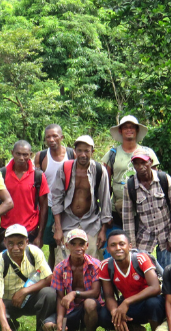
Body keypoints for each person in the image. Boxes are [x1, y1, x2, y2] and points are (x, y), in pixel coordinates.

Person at [0, 224, 56, 331]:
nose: (16, 248)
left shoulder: (34, 252)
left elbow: (49, 278)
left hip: (32, 298)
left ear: (27, 242)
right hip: (9, 302)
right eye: (11, 243)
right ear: (5, 242)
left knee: (50, 293)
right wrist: (4, 327)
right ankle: (10, 327)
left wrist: (24, 291)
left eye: (20, 243)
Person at [49, 135, 111, 263]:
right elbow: (56, 199)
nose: (83, 154)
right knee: (63, 260)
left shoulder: (99, 170)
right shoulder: (65, 168)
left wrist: (103, 230)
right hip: (68, 221)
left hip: (91, 223)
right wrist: (58, 229)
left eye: (87, 151)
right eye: (80, 151)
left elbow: (105, 202)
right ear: (74, 152)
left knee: (93, 261)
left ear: (92, 152)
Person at [122, 151, 171, 269]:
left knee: (169, 272)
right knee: (144, 273)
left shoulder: (164, 179)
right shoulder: (129, 186)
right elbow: (127, 218)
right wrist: (132, 247)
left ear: (150, 162)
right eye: (137, 163)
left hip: (166, 233)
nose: (141, 167)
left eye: (144, 163)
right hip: (144, 237)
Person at [43, 229, 105, 331]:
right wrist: (60, 319)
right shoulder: (59, 268)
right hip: (71, 308)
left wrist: (74, 293)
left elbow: (95, 292)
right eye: (73, 244)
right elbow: (61, 297)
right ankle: (72, 328)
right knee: (47, 326)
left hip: (92, 308)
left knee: (89, 303)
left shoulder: (95, 265)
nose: (78, 248)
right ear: (67, 245)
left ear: (87, 246)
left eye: (81, 244)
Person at [99, 230, 163, 331]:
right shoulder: (105, 266)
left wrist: (127, 302)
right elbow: (109, 295)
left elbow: (155, 287)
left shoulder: (141, 258)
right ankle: (135, 329)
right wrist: (115, 312)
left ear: (129, 246)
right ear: (108, 249)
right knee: (104, 314)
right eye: (113, 245)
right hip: (129, 307)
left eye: (121, 244)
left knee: (153, 303)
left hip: (147, 303)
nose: (118, 248)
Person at [103, 115, 159, 233]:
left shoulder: (148, 152)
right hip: (118, 209)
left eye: (132, 127)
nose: (129, 130)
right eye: (126, 127)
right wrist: (106, 212)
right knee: (119, 243)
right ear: (120, 131)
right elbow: (105, 185)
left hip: (143, 208)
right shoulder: (112, 154)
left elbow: (155, 182)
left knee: (140, 245)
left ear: (137, 130)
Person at [0, 140, 49, 250]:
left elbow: (44, 207)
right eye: (18, 154)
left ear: (30, 155)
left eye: (25, 154)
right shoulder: (2, 174)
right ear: (12, 153)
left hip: (30, 231)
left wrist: (40, 235)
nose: (21, 158)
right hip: (7, 229)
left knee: (29, 265)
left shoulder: (38, 176)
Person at [36, 124, 75, 269]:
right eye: (48, 137)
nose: (51, 139)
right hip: (49, 206)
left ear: (62, 137)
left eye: (55, 136)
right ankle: (53, 276)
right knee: (53, 245)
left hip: (68, 207)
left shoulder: (71, 154)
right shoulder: (41, 156)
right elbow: (37, 181)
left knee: (69, 242)